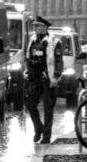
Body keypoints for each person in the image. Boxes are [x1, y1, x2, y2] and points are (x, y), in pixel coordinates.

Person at [24, 15, 63, 143]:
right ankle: (38, 128)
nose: (35, 28)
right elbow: (28, 58)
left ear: (44, 27)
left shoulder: (54, 41)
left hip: (48, 78)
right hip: (34, 78)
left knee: (48, 108)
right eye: (34, 26)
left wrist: (56, 77)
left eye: (37, 26)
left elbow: (58, 61)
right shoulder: (32, 40)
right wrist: (26, 71)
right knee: (30, 105)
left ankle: (46, 137)